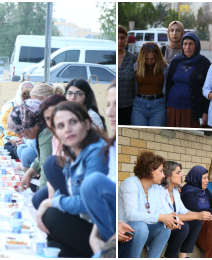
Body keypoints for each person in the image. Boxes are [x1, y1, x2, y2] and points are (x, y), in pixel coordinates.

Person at [36, 101, 109, 257]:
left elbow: (87, 202)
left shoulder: (97, 151)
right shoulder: (74, 152)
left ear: (87, 123)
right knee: (54, 245)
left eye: (73, 122)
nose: (67, 129)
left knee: (51, 215)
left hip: (103, 235)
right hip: (88, 224)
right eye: (60, 126)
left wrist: (50, 202)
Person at [119, 151, 179, 258]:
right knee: (141, 226)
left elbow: (158, 210)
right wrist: (161, 217)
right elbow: (131, 215)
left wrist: (171, 219)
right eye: (161, 171)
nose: (163, 175)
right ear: (150, 170)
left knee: (164, 228)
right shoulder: (131, 183)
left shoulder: (154, 187)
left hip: (142, 232)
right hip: (124, 232)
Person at [81, 82, 117, 257]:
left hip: (117, 225)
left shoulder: (98, 147)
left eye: (116, 104)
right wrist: (94, 237)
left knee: (91, 183)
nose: (109, 112)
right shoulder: (112, 145)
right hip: (106, 224)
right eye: (108, 105)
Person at [159, 161, 209, 258]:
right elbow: (170, 216)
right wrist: (197, 215)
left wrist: (200, 215)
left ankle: (182, 256)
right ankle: (168, 257)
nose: (181, 175)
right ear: (168, 175)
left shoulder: (175, 191)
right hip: (162, 225)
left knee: (196, 222)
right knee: (183, 226)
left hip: (172, 224)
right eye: (178, 173)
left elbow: (183, 210)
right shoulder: (160, 191)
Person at [28, 95, 68, 208]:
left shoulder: (73, 135)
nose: (53, 121)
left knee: (50, 162)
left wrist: (53, 204)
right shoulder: (55, 137)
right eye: (48, 118)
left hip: (77, 191)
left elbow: (50, 167)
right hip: (62, 182)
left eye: (56, 115)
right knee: (38, 199)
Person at [166, 32, 211, 128]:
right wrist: (167, 106)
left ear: (196, 45)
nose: (187, 47)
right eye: (185, 44)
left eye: (191, 44)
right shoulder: (176, 61)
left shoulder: (204, 63)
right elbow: (168, 84)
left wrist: (206, 112)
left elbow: (209, 89)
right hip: (173, 107)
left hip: (192, 110)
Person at [9, 99, 53, 195]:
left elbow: (46, 167)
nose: (24, 137)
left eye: (22, 132)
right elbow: (41, 157)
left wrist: (42, 197)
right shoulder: (41, 130)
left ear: (29, 126)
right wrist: (29, 173)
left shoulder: (45, 133)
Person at [131, 42, 169, 126]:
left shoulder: (165, 68)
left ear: (158, 57)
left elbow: (168, 88)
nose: (149, 61)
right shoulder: (136, 67)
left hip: (159, 105)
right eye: (146, 59)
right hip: (139, 105)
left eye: (152, 59)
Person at [0, 81, 34, 148]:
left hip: (27, 136)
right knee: (8, 143)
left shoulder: (34, 105)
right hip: (9, 134)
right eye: (26, 87)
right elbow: (2, 122)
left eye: (31, 87)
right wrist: (17, 133)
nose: (29, 89)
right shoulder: (11, 105)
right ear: (21, 91)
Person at [118, 25, 138, 125]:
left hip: (128, 107)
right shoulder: (107, 57)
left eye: (122, 38)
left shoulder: (133, 58)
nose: (120, 41)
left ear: (126, 39)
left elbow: (138, 81)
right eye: (116, 38)